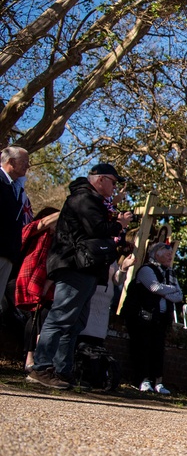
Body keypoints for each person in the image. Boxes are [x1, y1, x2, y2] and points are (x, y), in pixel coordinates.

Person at [27, 164, 132, 389]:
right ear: (101, 179)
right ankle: (41, 367)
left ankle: (62, 370)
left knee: (75, 323)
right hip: (75, 265)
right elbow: (97, 228)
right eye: (113, 182)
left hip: (85, 268)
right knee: (61, 317)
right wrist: (119, 224)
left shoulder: (89, 199)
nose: (114, 187)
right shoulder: (84, 199)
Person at [122, 242, 183, 394]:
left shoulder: (170, 273)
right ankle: (142, 380)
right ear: (156, 254)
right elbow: (154, 287)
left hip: (160, 318)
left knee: (158, 350)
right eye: (166, 253)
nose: (170, 256)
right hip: (143, 316)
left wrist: (165, 291)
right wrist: (170, 289)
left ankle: (158, 382)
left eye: (171, 254)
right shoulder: (146, 269)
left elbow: (179, 296)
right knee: (142, 348)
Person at [14, 208, 59, 370]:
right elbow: (41, 224)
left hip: (44, 286)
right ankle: (30, 358)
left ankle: (39, 360)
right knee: (34, 315)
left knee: (44, 314)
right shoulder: (34, 232)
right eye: (56, 223)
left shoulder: (56, 241)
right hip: (21, 281)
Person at [0, 147, 32, 320]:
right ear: (11, 161)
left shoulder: (17, 189)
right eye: (24, 161)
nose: (28, 165)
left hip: (8, 253)